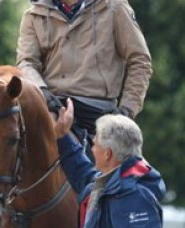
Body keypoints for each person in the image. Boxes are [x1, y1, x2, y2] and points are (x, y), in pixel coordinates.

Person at [16, 0, 153, 152]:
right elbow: (26, 63)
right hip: (52, 106)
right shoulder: (33, 15)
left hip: (98, 111)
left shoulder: (115, 7)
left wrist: (126, 110)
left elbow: (140, 60)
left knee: (129, 172)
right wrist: (43, 92)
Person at [54, 98, 166, 228]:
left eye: (95, 144)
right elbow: (83, 173)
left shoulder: (133, 196)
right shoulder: (108, 185)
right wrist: (63, 136)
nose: (92, 149)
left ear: (108, 154)